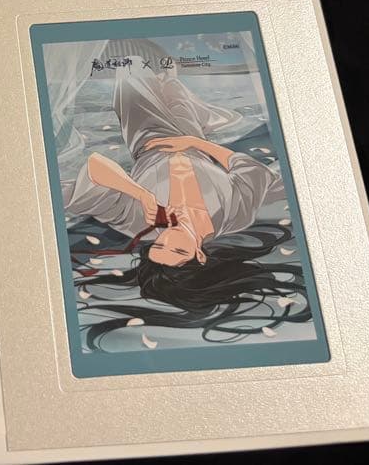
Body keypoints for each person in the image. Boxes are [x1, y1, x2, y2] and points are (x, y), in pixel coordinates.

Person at [63, 63, 312, 344]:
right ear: (200, 255)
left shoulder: (136, 220)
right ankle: (190, 102)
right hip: (193, 137)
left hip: (149, 131)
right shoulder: (234, 215)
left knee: (131, 68)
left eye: (159, 246)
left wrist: (140, 194)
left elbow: (95, 165)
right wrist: (195, 143)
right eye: (178, 249)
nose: (168, 238)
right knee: (172, 88)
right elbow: (250, 169)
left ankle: (176, 90)